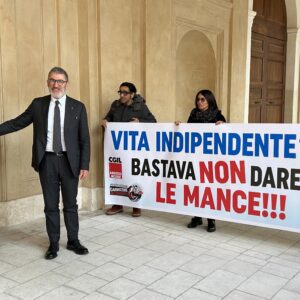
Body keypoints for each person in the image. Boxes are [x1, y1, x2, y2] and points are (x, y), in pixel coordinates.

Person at [0, 67, 90, 259]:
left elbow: (84, 139)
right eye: (52, 80)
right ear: (48, 82)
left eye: (60, 81)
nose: (56, 84)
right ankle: (53, 244)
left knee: (70, 204)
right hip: (46, 161)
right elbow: (17, 123)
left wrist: (85, 164)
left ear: (66, 83)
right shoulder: (38, 105)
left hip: (69, 162)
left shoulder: (78, 107)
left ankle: (73, 240)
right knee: (50, 205)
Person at [102, 82, 156, 217]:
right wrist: (105, 120)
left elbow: (153, 122)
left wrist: (140, 122)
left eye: (125, 93)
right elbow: (109, 117)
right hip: (117, 149)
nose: (122, 95)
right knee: (118, 175)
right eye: (120, 92)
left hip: (134, 150)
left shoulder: (140, 107)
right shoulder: (115, 105)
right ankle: (117, 204)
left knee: (134, 175)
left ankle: (136, 205)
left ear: (132, 94)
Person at [175, 89, 225, 232]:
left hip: (210, 158)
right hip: (195, 157)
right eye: (198, 99)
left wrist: (221, 124)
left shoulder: (217, 114)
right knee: (195, 186)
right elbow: (188, 129)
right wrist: (180, 126)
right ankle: (197, 217)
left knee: (209, 188)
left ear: (209, 100)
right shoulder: (193, 113)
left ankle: (211, 219)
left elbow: (225, 131)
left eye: (203, 99)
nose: (199, 102)